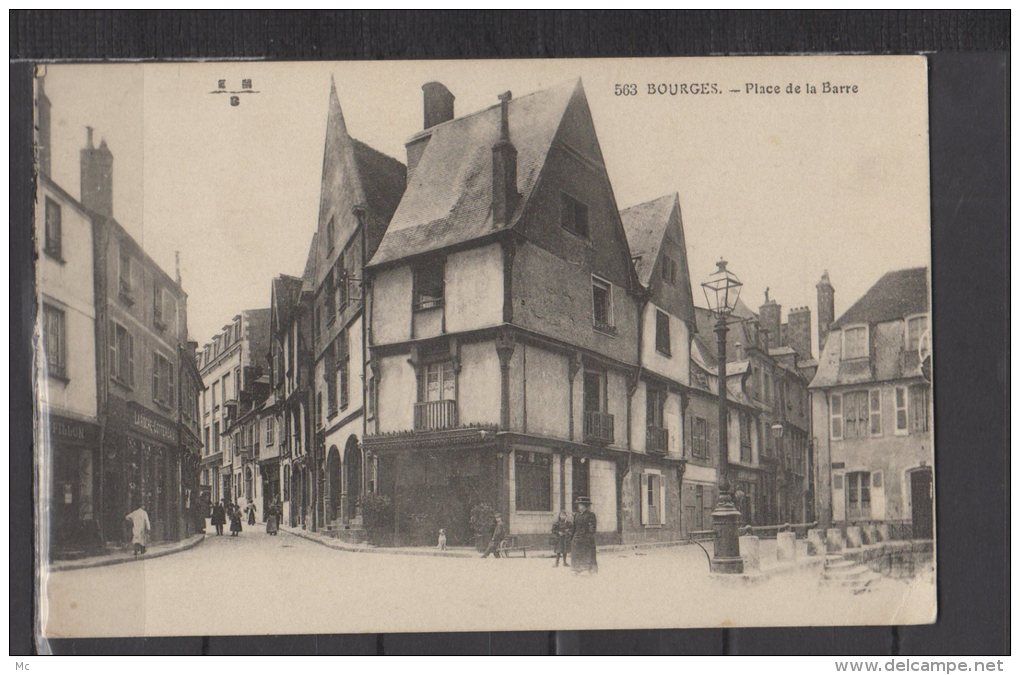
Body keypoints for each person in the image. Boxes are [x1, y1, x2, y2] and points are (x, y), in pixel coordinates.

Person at [570, 496, 598, 574]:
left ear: (585, 506)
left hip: (586, 538)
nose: (579, 507)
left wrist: (588, 536)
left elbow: (592, 528)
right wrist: (572, 538)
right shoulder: (576, 515)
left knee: (587, 554)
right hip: (577, 538)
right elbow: (574, 527)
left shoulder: (591, 515)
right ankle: (577, 569)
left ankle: (588, 569)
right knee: (576, 554)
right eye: (579, 505)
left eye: (581, 505)